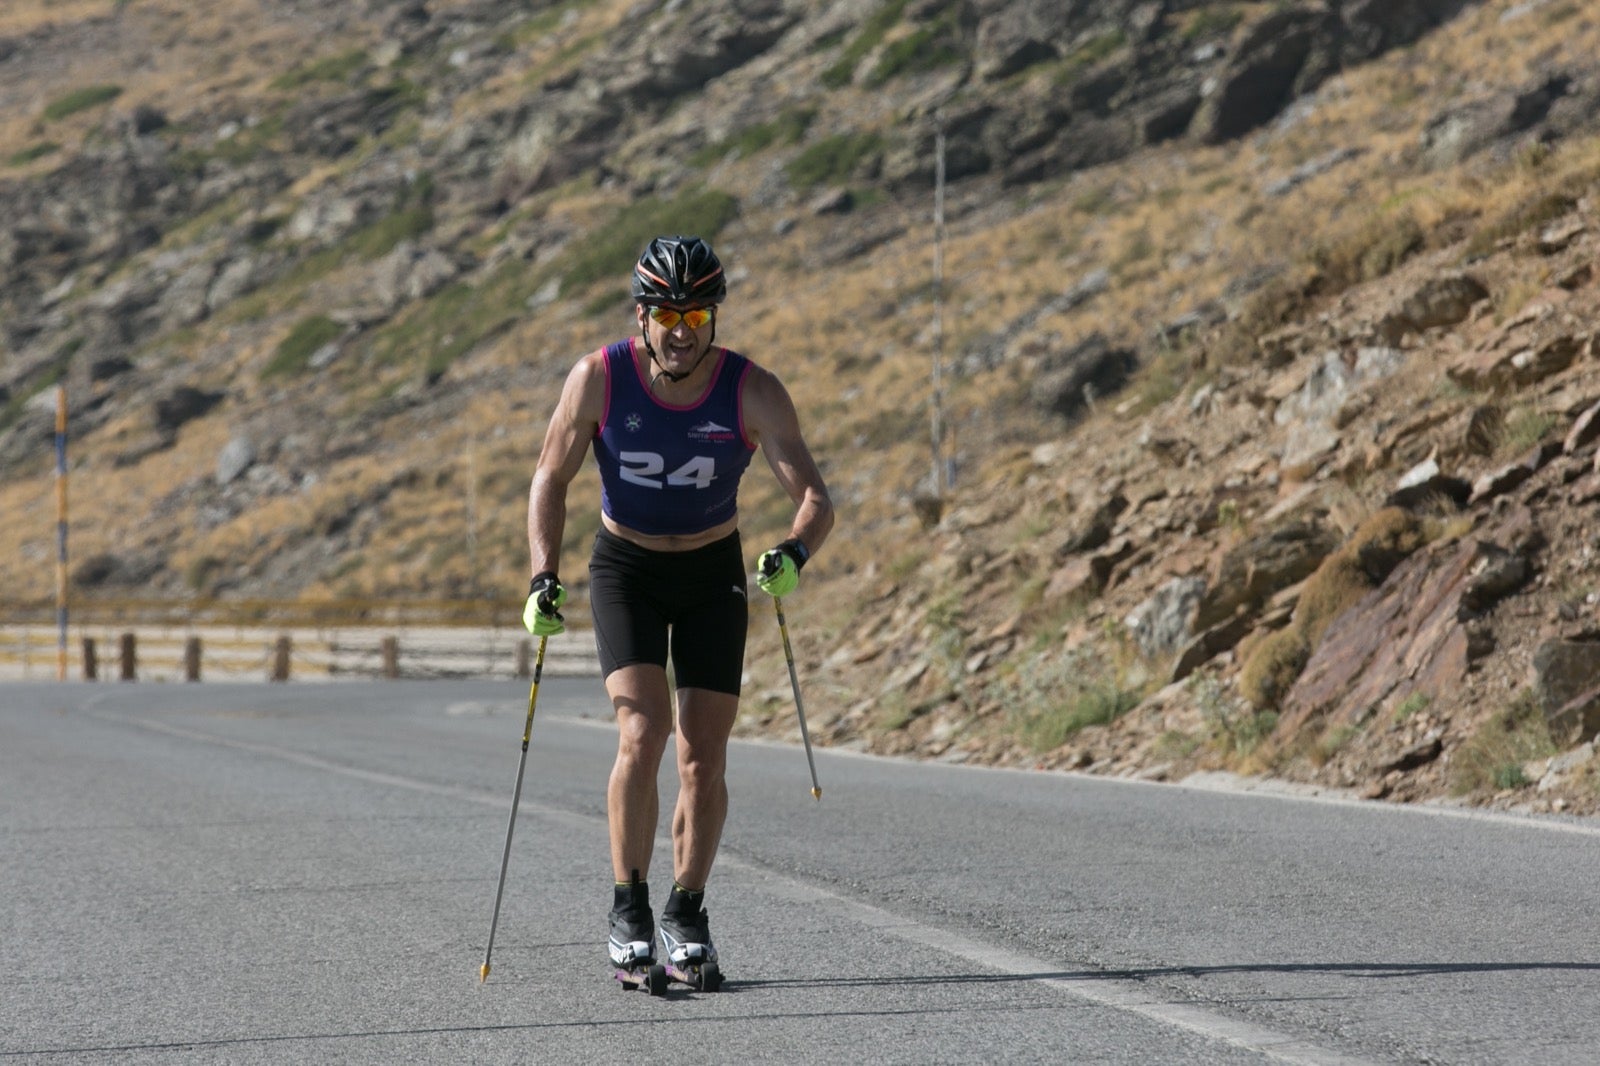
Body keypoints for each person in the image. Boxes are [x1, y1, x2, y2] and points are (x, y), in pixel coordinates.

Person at [523, 234, 834, 976]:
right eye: (667, 313)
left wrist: (793, 552)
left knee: (704, 753)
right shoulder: (598, 379)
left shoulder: (753, 391)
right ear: (641, 316)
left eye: (697, 315)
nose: (681, 331)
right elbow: (548, 477)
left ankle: (685, 911)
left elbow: (816, 498)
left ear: (714, 321)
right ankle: (627, 903)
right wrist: (541, 576)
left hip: (711, 572)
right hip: (625, 566)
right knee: (644, 727)